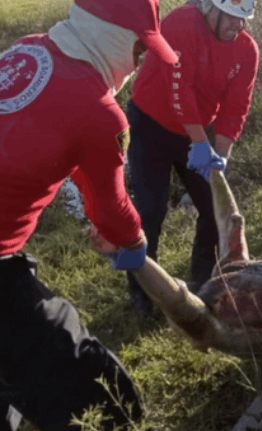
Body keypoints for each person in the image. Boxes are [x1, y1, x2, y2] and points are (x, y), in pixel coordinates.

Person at [0, 0, 179, 429]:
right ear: (112, 36)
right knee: (102, 395)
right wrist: (134, 247)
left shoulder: (26, 50)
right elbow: (111, 207)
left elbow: (67, 149)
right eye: (138, 51)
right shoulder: (99, 111)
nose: (137, 64)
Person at [125, 0, 260, 318]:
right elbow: (178, 90)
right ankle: (142, 291)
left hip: (197, 129)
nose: (236, 27)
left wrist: (221, 156)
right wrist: (201, 144)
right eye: (230, 18)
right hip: (150, 126)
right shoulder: (181, 23)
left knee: (214, 211)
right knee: (150, 212)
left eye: (243, 20)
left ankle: (202, 283)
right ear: (210, 10)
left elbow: (236, 106)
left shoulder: (247, 50)